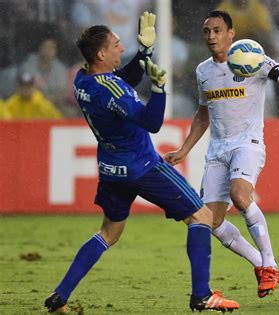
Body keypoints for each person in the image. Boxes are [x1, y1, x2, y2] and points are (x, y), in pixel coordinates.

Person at [43, 12, 239, 313]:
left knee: (109, 233)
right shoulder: (115, 92)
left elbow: (122, 78)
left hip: (111, 168)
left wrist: (143, 52)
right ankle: (201, 295)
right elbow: (152, 123)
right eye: (117, 45)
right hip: (142, 166)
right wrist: (159, 89)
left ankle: (60, 296)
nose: (122, 48)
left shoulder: (83, 79)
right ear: (102, 54)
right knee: (201, 217)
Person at [164, 10, 279, 298]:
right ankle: (260, 263)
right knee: (209, 221)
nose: (211, 36)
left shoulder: (253, 58)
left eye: (217, 31)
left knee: (241, 196)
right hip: (218, 150)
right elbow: (204, 114)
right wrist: (185, 149)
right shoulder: (203, 70)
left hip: (248, 143)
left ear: (231, 33)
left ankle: (270, 263)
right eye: (207, 32)